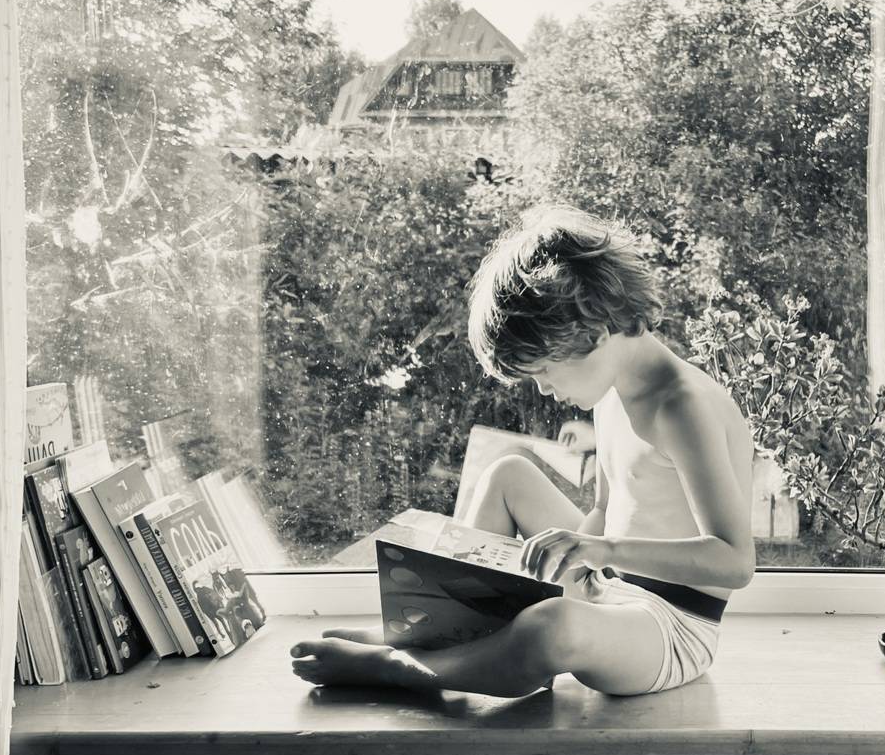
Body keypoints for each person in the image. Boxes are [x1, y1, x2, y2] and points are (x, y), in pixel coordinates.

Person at [290, 205, 755, 696]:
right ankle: (446, 631)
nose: (545, 390)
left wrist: (600, 552)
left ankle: (405, 666)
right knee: (508, 475)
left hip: (669, 625)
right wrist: (575, 562)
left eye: (544, 371)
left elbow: (734, 562)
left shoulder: (682, 406)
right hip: (607, 585)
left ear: (594, 334)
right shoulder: (613, 391)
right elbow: (604, 510)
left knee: (553, 626)